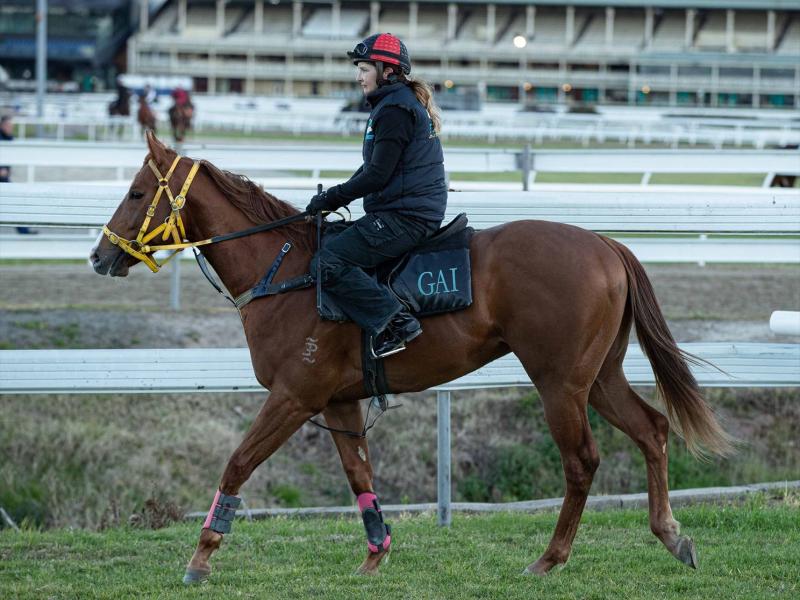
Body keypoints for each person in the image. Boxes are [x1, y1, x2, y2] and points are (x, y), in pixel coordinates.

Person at [306, 33, 447, 358]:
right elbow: (373, 167)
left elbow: (377, 175)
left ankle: (396, 323)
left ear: (387, 71)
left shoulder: (395, 110)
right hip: (404, 212)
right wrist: (333, 199)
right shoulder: (394, 104)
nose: (358, 77)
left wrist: (330, 199)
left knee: (326, 262)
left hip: (405, 218)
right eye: (358, 69)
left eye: (365, 69)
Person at [0, 115, 31, 234]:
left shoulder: (8, 138)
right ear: (2, 125)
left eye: (11, 126)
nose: (10, 128)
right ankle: (23, 231)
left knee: (14, 202)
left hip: (3, 178)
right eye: (8, 126)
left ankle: (24, 230)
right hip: (2, 177)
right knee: (13, 202)